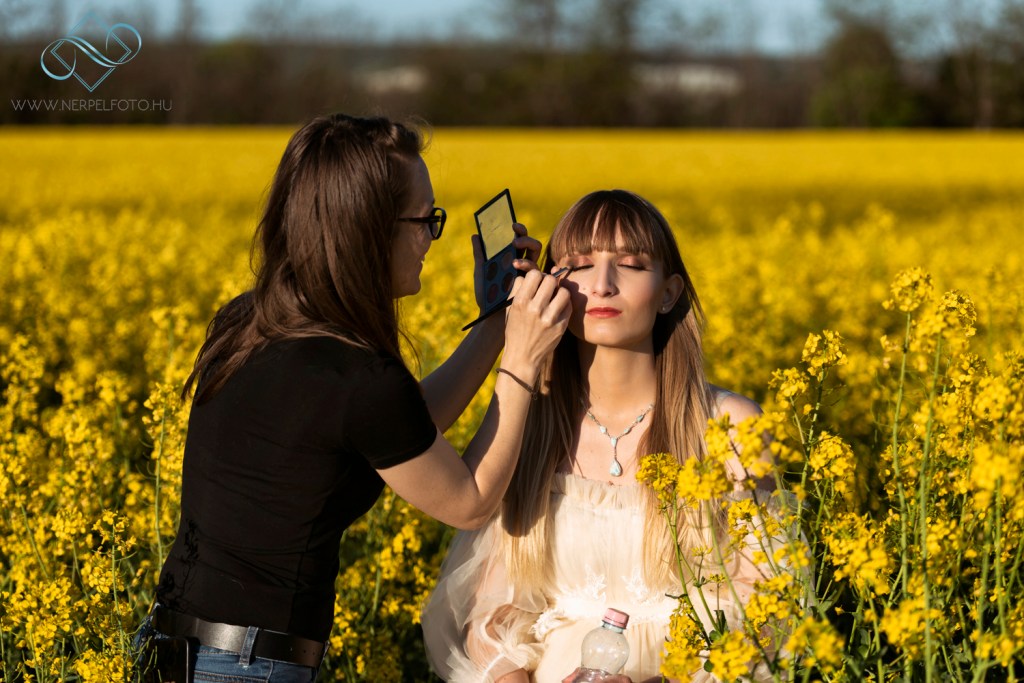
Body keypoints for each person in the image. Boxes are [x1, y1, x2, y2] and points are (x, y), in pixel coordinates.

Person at [138, 113, 571, 682]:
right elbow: (468, 501)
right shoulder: (356, 378)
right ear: (368, 228)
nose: (431, 238)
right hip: (247, 663)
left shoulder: (251, 322)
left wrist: (496, 322)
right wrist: (522, 360)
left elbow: (402, 432)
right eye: (425, 219)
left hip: (176, 646)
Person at [422, 189, 783, 683]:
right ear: (549, 283)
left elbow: (767, 606)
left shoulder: (729, 426)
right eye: (579, 265)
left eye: (631, 265)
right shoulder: (530, 426)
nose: (603, 285)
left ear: (669, 292)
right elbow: (492, 619)